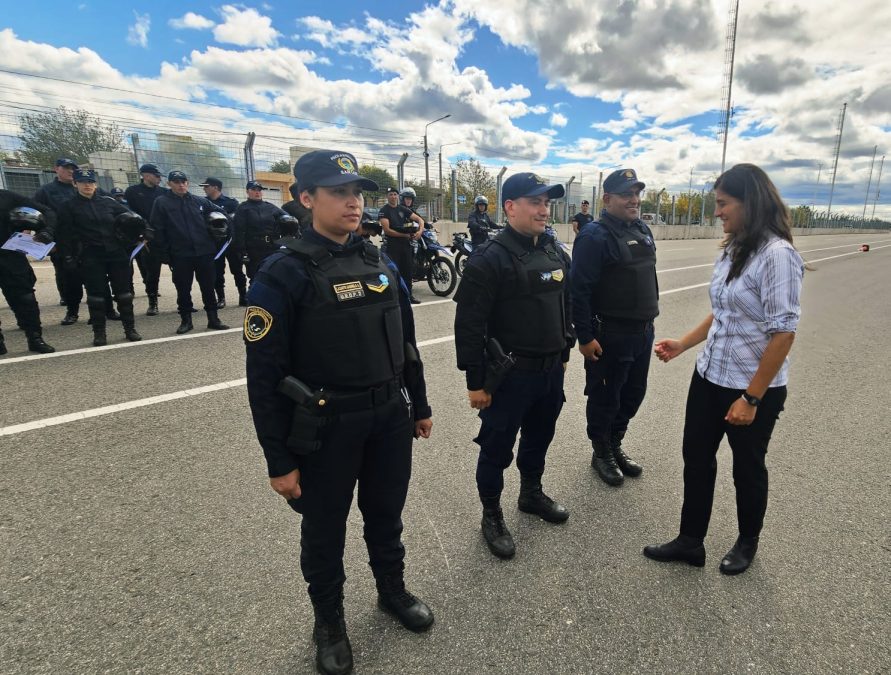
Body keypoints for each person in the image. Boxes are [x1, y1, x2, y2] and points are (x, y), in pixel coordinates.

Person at [244, 150, 434, 675]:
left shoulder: (379, 260)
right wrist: (278, 460)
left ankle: (392, 591)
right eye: (338, 193)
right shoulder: (283, 272)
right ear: (306, 198)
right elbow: (263, 376)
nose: (353, 203)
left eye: (357, 193)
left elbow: (406, 341)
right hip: (327, 426)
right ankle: (328, 621)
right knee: (325, 530)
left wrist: (419, 403)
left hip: (388, 416)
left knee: (386, 514)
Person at [644, 164, 804, 576]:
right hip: (709, 376)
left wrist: (752, 398)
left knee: (747, 468)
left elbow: (783, 333)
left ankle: (747, 541)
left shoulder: (777, 255)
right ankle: (690, 540)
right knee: (696, 458)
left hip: (751, 387)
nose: (717, 212)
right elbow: (724, 312)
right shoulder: (733, 248)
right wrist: (683, 344)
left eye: (723, 203)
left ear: (751, 202)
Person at [453, 172, 574, 559]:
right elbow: (469, 326)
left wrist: (565, 352)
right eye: (535, 202)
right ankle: (491, 514)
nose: (544, 210)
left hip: (550, 372)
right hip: (509, 377)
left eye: (547, 203)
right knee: (496, 449)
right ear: (510, 207)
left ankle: (531, 493)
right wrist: (475, 382)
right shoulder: (489, 258)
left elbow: (566, 304)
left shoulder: (554, 251)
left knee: (540, 437)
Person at [570, 169, 657, 487]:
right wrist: (584, 336)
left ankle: (615, 442)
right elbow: (578, 291)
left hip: (643, 332)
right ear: (607, 199)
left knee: (634, 394)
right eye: (626, 194)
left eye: (636, 194)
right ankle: (601, 452)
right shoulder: (594, 236)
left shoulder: (642, 229)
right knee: (606, 396)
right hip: (610, 335)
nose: (634, 200)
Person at [56, 170, 143, 346]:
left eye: (90, 182)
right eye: (82, 182)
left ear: (95, 184)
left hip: (115, 253)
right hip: (91, 255)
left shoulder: (108, 202)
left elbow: (132, 218)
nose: (87, 185)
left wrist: (145, 230)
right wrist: (67, 257)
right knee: (96, 297)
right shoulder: (68, 206)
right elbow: (63, 234)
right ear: (75, 184)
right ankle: (99, 333)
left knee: (124, 294)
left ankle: (130, 329)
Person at [148, 170, 229, 335]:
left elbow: (222, 215)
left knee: (208, 287)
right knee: (183, 289)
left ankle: (213, 319)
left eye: (183, 181)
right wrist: (164, 253)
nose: (181, 185)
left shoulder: (199, 201)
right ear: (169, 184)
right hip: (180, 254)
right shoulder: (162, 202)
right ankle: (186, 321)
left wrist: (217, 239)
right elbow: (157, 228)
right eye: (176, 182)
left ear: (187, 183)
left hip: (204, 252)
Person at [0, 192, 56, 355]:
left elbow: (47, 211)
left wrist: (47, 231)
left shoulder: (7, 197)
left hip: (10, 255)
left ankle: (35, 338)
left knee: (26, 299)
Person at [124, 163, 168, 317]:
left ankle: (184, 300)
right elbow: (130, 214)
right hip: (146, 238)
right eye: (156, 176)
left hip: (165, 236)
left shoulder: (164, 192)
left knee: (179, 270)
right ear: (146, 175)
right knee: (152, 272)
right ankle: (152, 302)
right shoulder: (132, 192)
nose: (159, 179)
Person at [34, 158, 78, 307]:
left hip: (81, 237)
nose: (70, 171)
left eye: (73, 168)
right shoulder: (45, 191)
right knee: (63, 270)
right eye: (66, 168)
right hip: (59, 239)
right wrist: (47, 240)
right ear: (56, 169)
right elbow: (37, 215)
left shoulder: (79, 188)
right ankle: (66, 297)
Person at [233, 180, 294, 282]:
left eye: (259, 190)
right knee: (256, 277)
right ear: (247, 191)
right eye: (254, 189)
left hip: (272, 247)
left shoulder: (270, 207)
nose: (257, 192)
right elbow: (239, 231)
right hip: (254, 249)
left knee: (274, 275)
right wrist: (242, 251)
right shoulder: (243, 208)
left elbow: (288, 219)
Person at [199, 177, 244, 308]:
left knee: (237, 271)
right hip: (214, 244)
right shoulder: (203, 203)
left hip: (230, 243)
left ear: (216, 187)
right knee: (217, 272)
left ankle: (243, 295)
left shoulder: (231, 203)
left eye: (207, 186)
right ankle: (221, 298)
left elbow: (236, 222)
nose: (204, 189)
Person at [378, 187, 423, 304]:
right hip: (393, 246)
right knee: (394, 272)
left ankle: (409, 296)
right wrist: (405, 235)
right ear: (387, 196)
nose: (393, 196)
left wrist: (420, 231)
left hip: (405, 245)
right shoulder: (384, 210)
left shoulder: (403, 209)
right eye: (390, 194)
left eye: (395, 194)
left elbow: (419, 219)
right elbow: (387, 230)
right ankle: (394, 298)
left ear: (398, 196)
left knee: (408, 271)